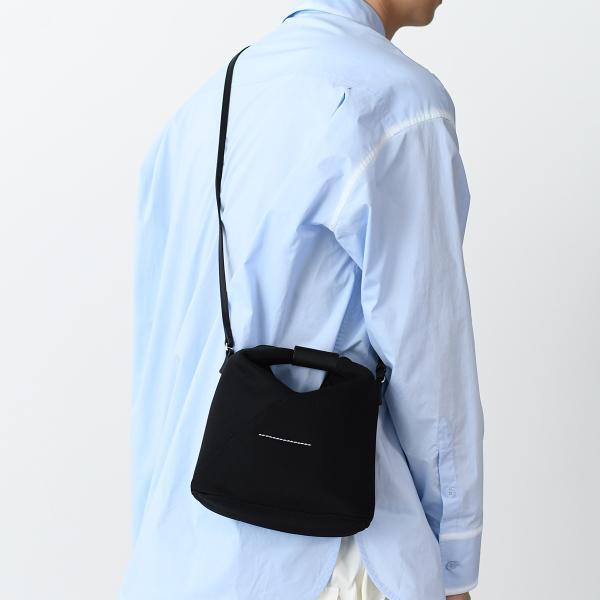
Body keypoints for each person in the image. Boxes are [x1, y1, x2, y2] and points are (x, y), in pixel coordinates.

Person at [121, 0, 484, 599]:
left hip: (183, 558)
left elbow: (157, 358)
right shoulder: (398, 103)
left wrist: (151, 543)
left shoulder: (197, 112)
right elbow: (429, 358)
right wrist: (455, 561)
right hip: (334, 559)